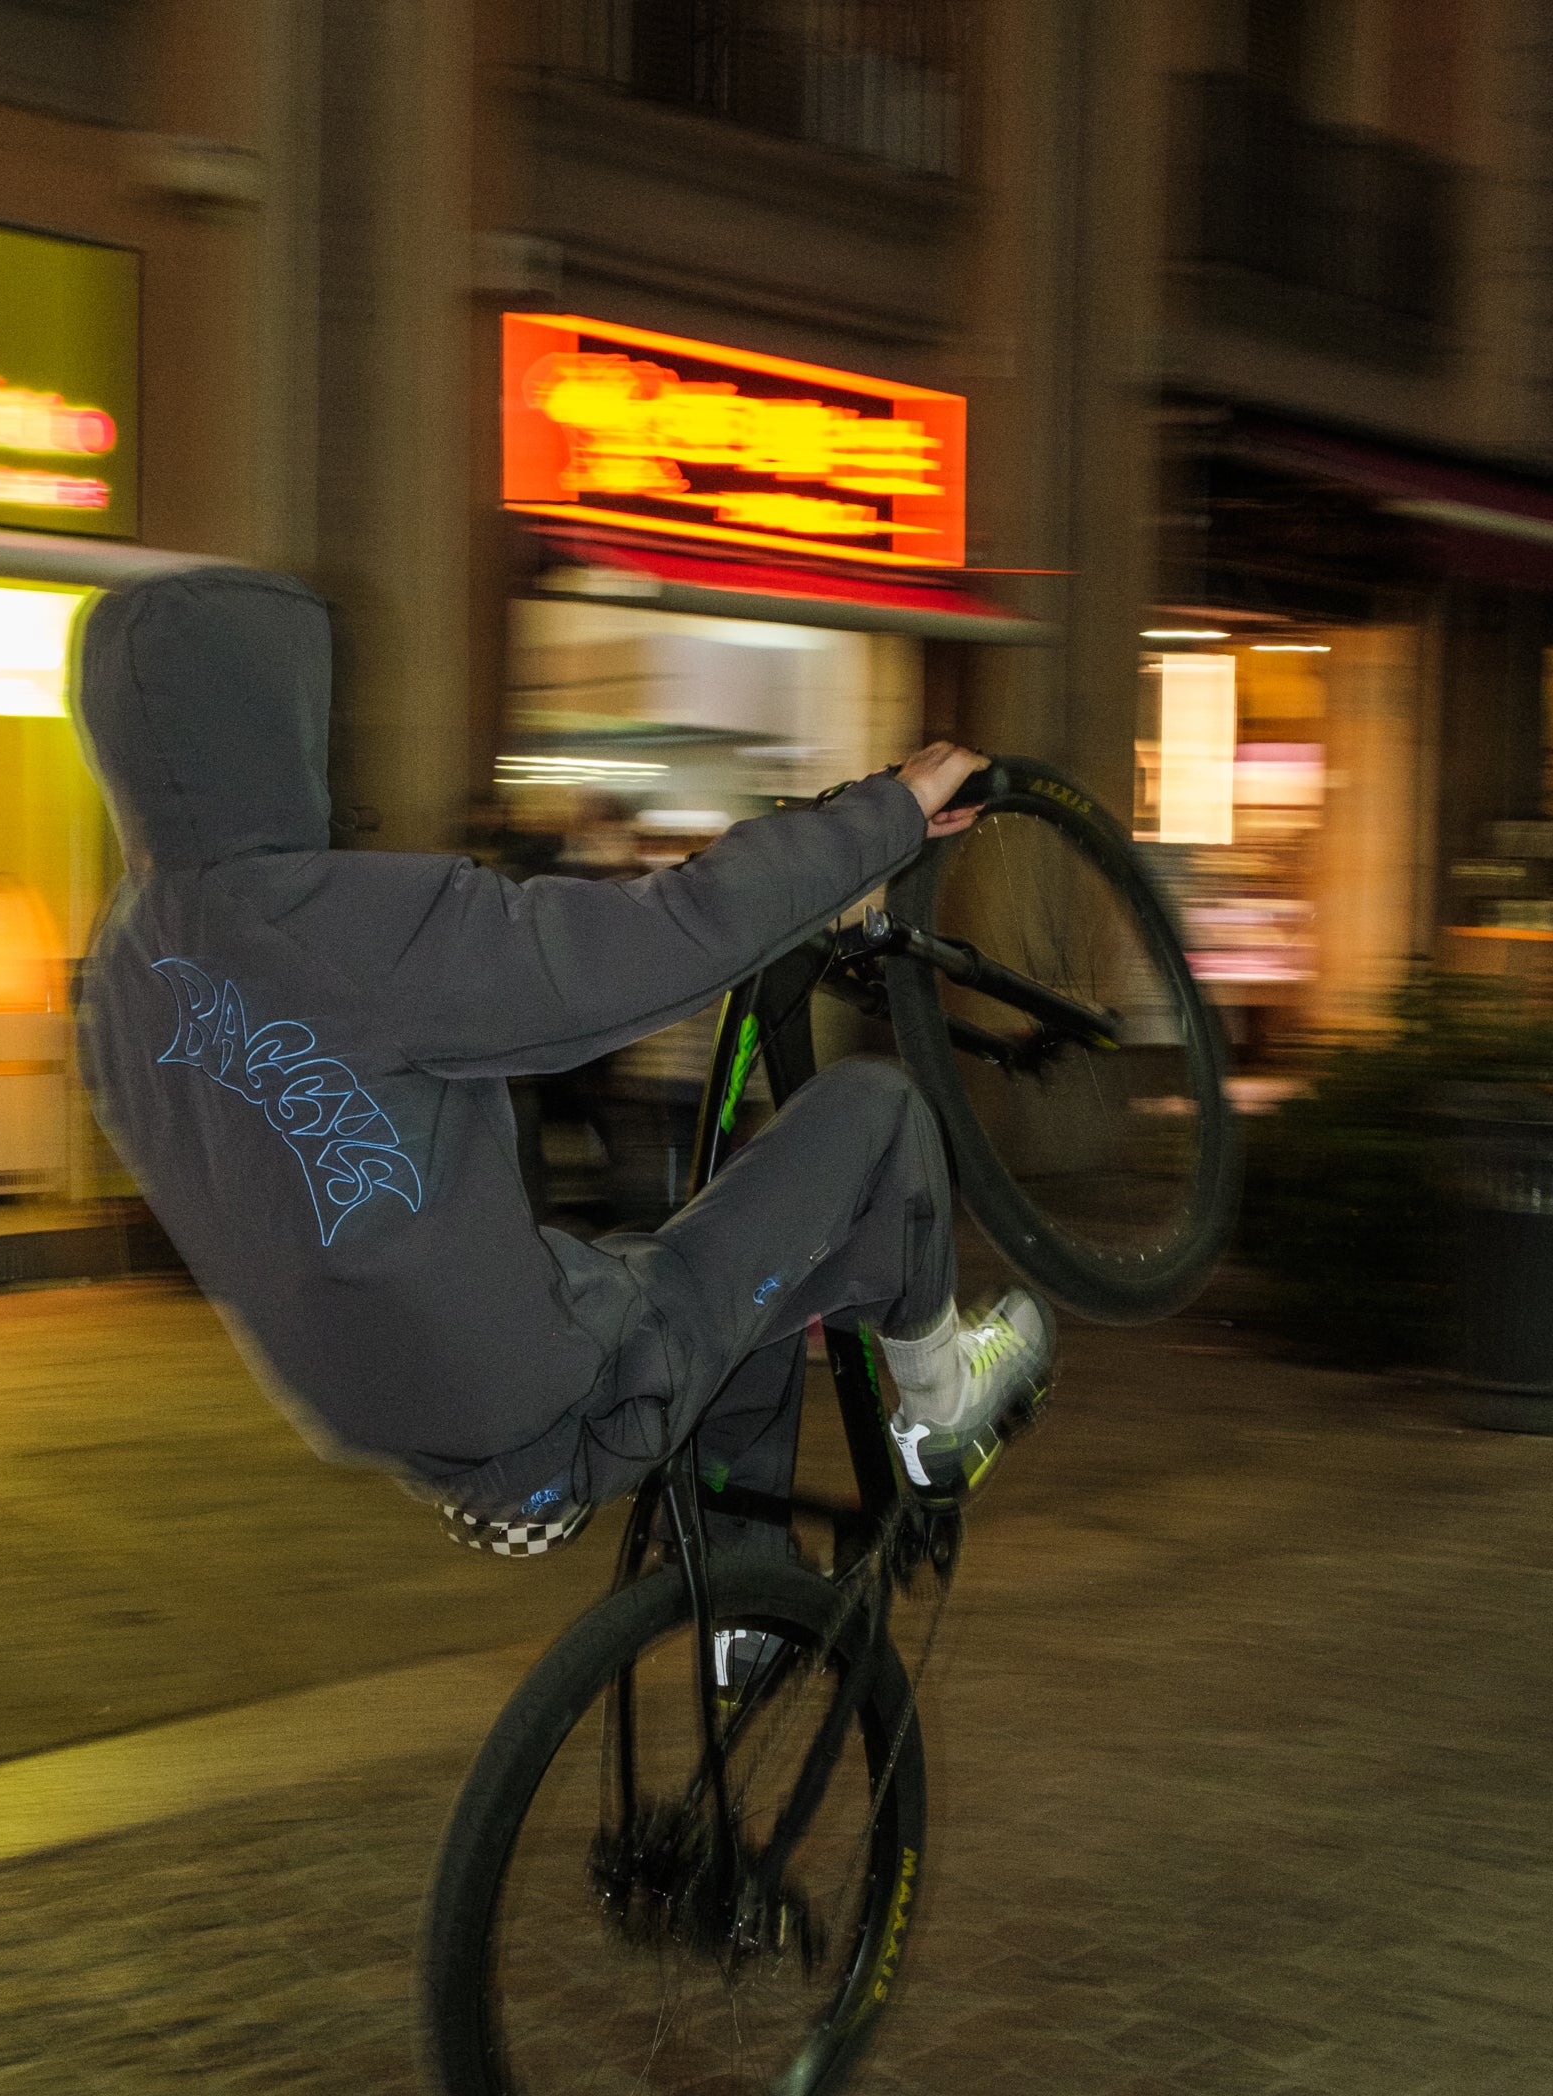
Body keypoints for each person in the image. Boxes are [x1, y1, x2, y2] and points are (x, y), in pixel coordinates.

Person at [73, 566, 1054, 1557]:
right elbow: (667, 937)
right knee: (876, 1113)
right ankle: (945, 1405)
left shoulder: (118, 976)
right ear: (273, 723)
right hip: (548, 1398)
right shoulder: (348, 926)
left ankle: (749, 1612)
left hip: (392, 1420)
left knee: (716, 1253)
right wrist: (880, 819)